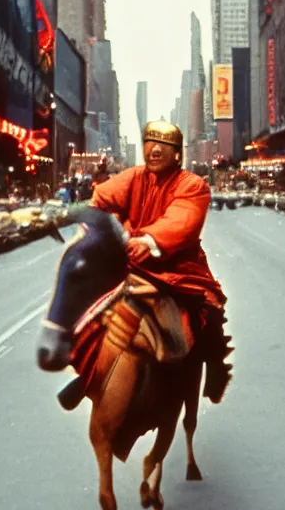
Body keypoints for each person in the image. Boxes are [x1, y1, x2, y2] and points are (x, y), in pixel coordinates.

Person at [91, 120, 232, 403]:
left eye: (163, 146)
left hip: (179, 267)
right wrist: (121, 231)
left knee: (210, 311)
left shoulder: (193, 184)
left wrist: (151, 240)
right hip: (131, 262)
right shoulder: (132, 177)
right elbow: (101, 199)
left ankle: (217, 369)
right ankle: (89, 375)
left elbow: (182, 219)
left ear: (177, 153)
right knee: (90, 307)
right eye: (149, 143)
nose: (154, 150)